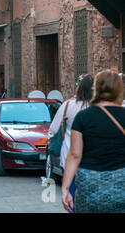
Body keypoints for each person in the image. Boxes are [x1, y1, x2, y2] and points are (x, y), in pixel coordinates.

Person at [62, 70, 125, 213]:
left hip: (89, 184)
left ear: (96, 88)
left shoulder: (83, 117)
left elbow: (75, 155)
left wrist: (66, 188)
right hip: (122, 183)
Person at [49, 74, 94, 212]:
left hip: (69, 157)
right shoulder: (97, 107)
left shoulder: (68, 105)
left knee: (72, 195)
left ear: (79, 88)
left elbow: (53, 130)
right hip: (92, 159)